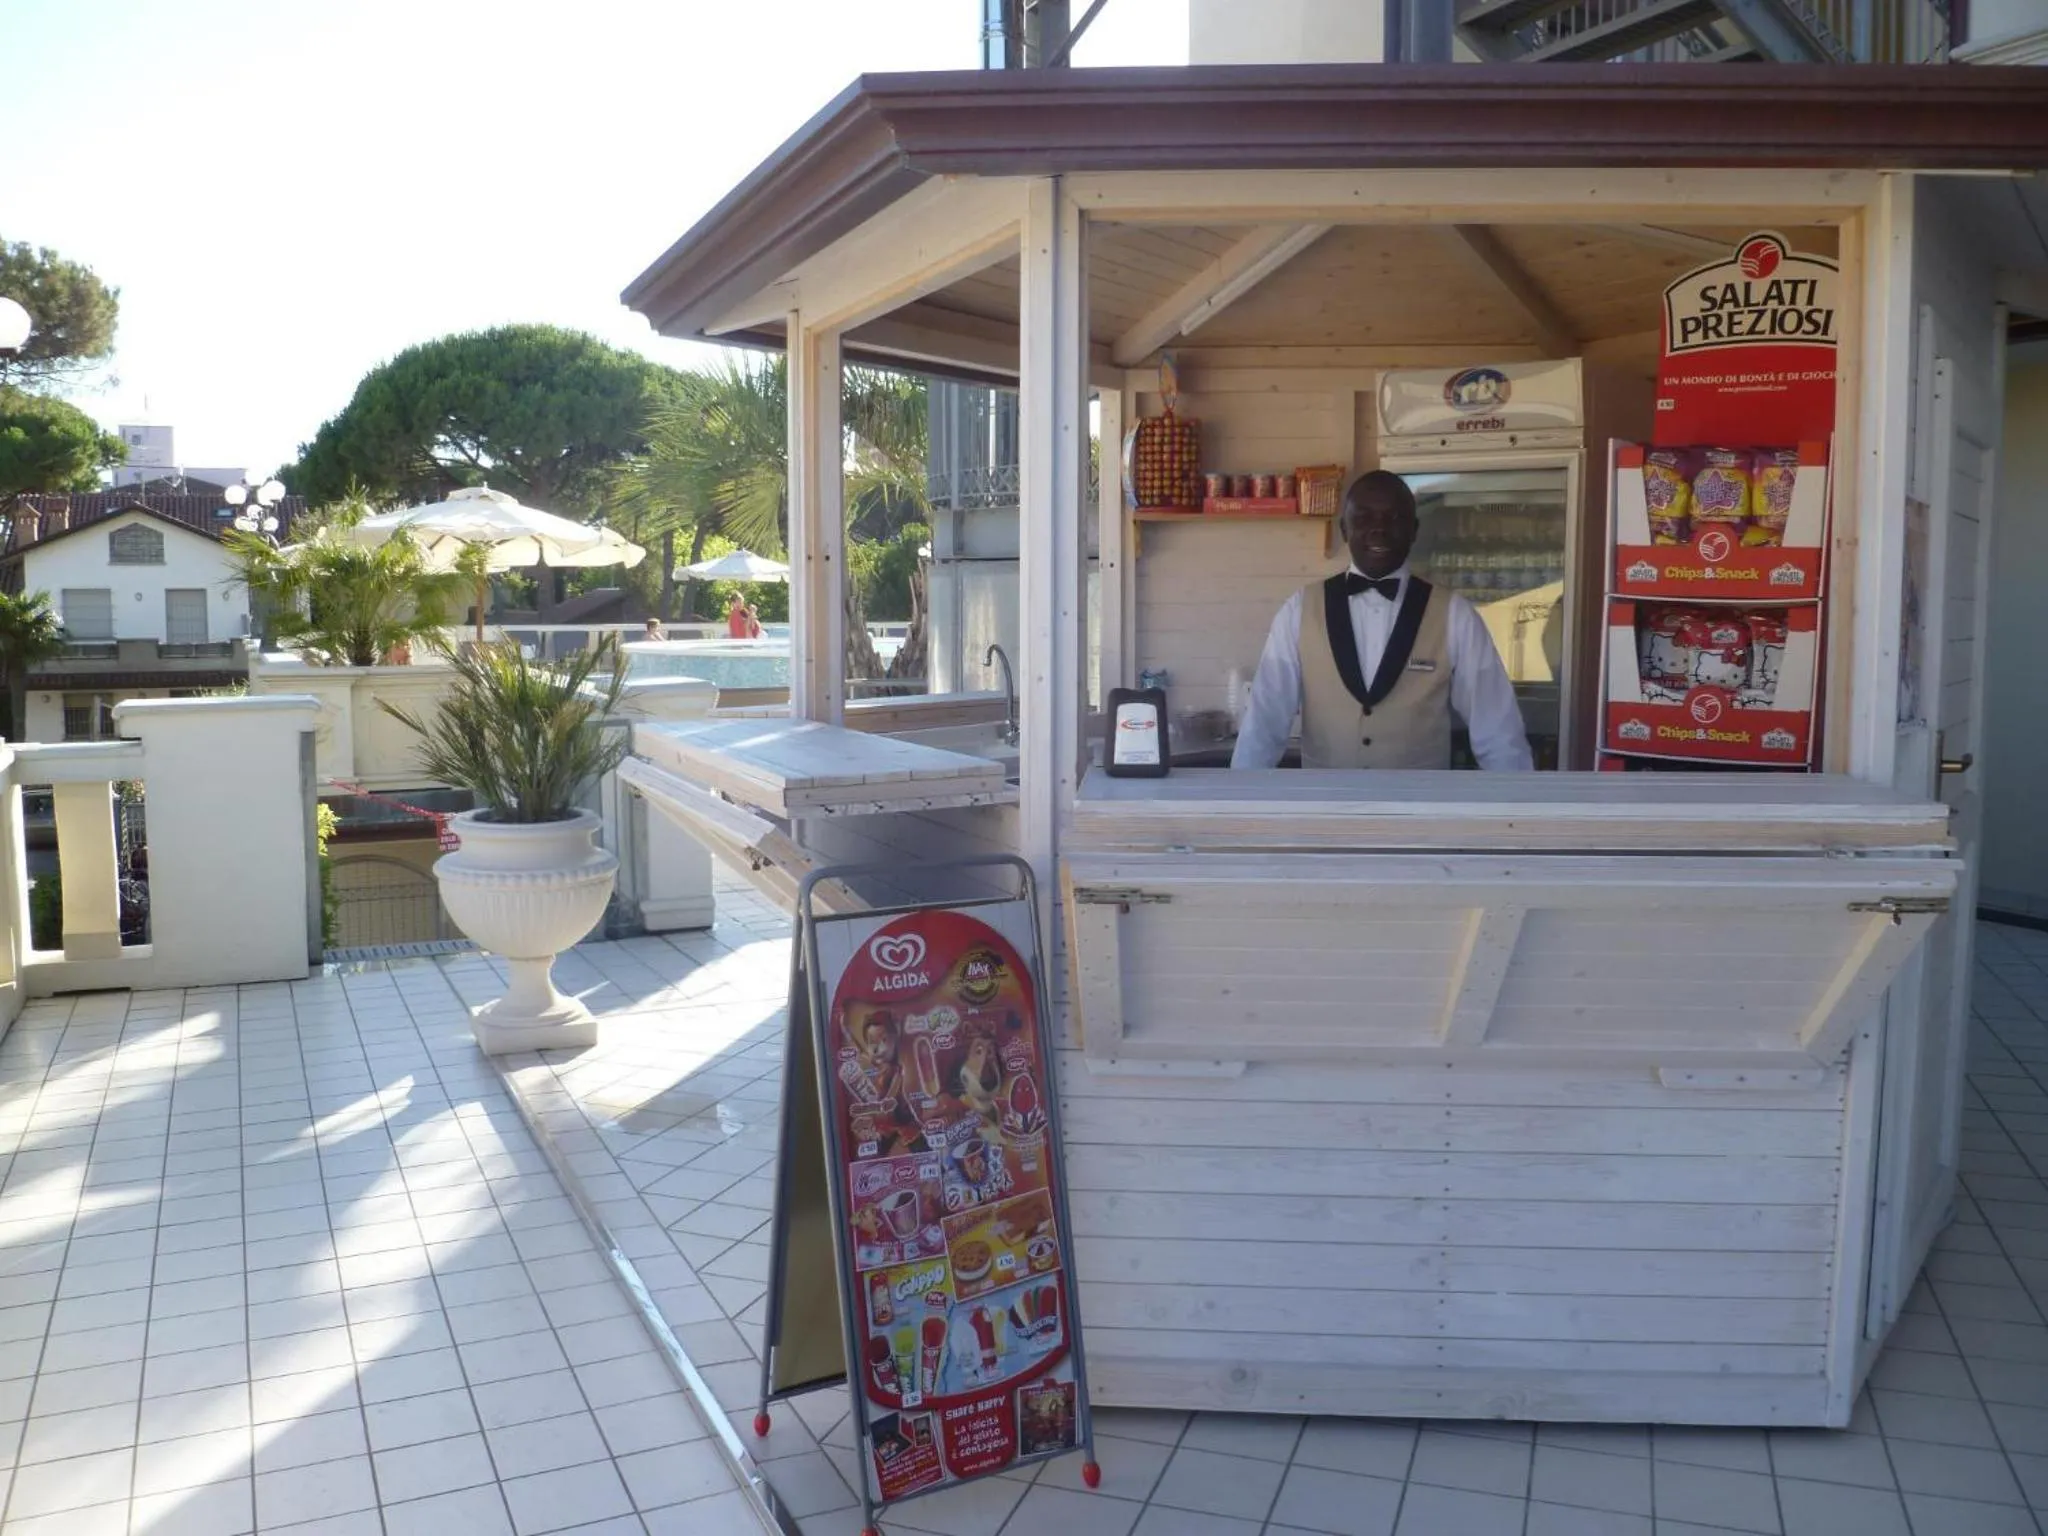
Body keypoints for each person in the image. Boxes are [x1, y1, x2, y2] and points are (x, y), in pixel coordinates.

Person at [1231, 470, 1533, 771]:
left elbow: (1497, 730)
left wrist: (1519, 810)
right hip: (1325, 809)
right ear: (1345, 529)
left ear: (1414, 530)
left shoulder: (1455, 614)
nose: (1379, 529)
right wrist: (1237, 805)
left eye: (1394, 518)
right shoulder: (1299, 609)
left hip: (1421, 812)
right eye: (1363, 517)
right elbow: (1265, 721)